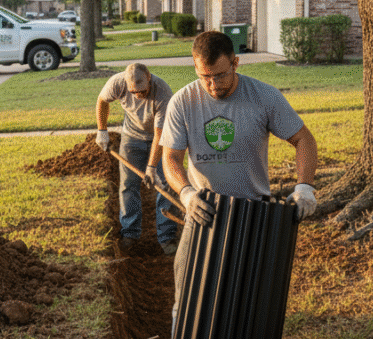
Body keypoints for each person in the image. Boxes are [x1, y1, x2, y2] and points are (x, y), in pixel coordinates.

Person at [161, 31, 318, 315]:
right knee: (187, 299)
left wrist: (304, 186)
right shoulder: (182, 102)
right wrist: (186, 194)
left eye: (220, 75)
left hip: (254, 212)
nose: (212, 85)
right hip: (204, 210)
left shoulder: (263, 96)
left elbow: (304, 139)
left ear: (235, 62)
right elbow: (170, 158)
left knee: (250, 302)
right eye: (204, 77)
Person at [96, 63, 179, 254]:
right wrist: (102, 130)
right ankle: (130, 233)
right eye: (133, 92)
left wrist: (151, 167)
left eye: (141, 92)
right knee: (128, 185)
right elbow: (102, 101)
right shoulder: (117, 83)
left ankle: (167, 237)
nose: (137, 96)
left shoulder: (163, 92)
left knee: (165, 184)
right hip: (131, 137)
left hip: (160, 138)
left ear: (149, 78)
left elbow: (159, 135)